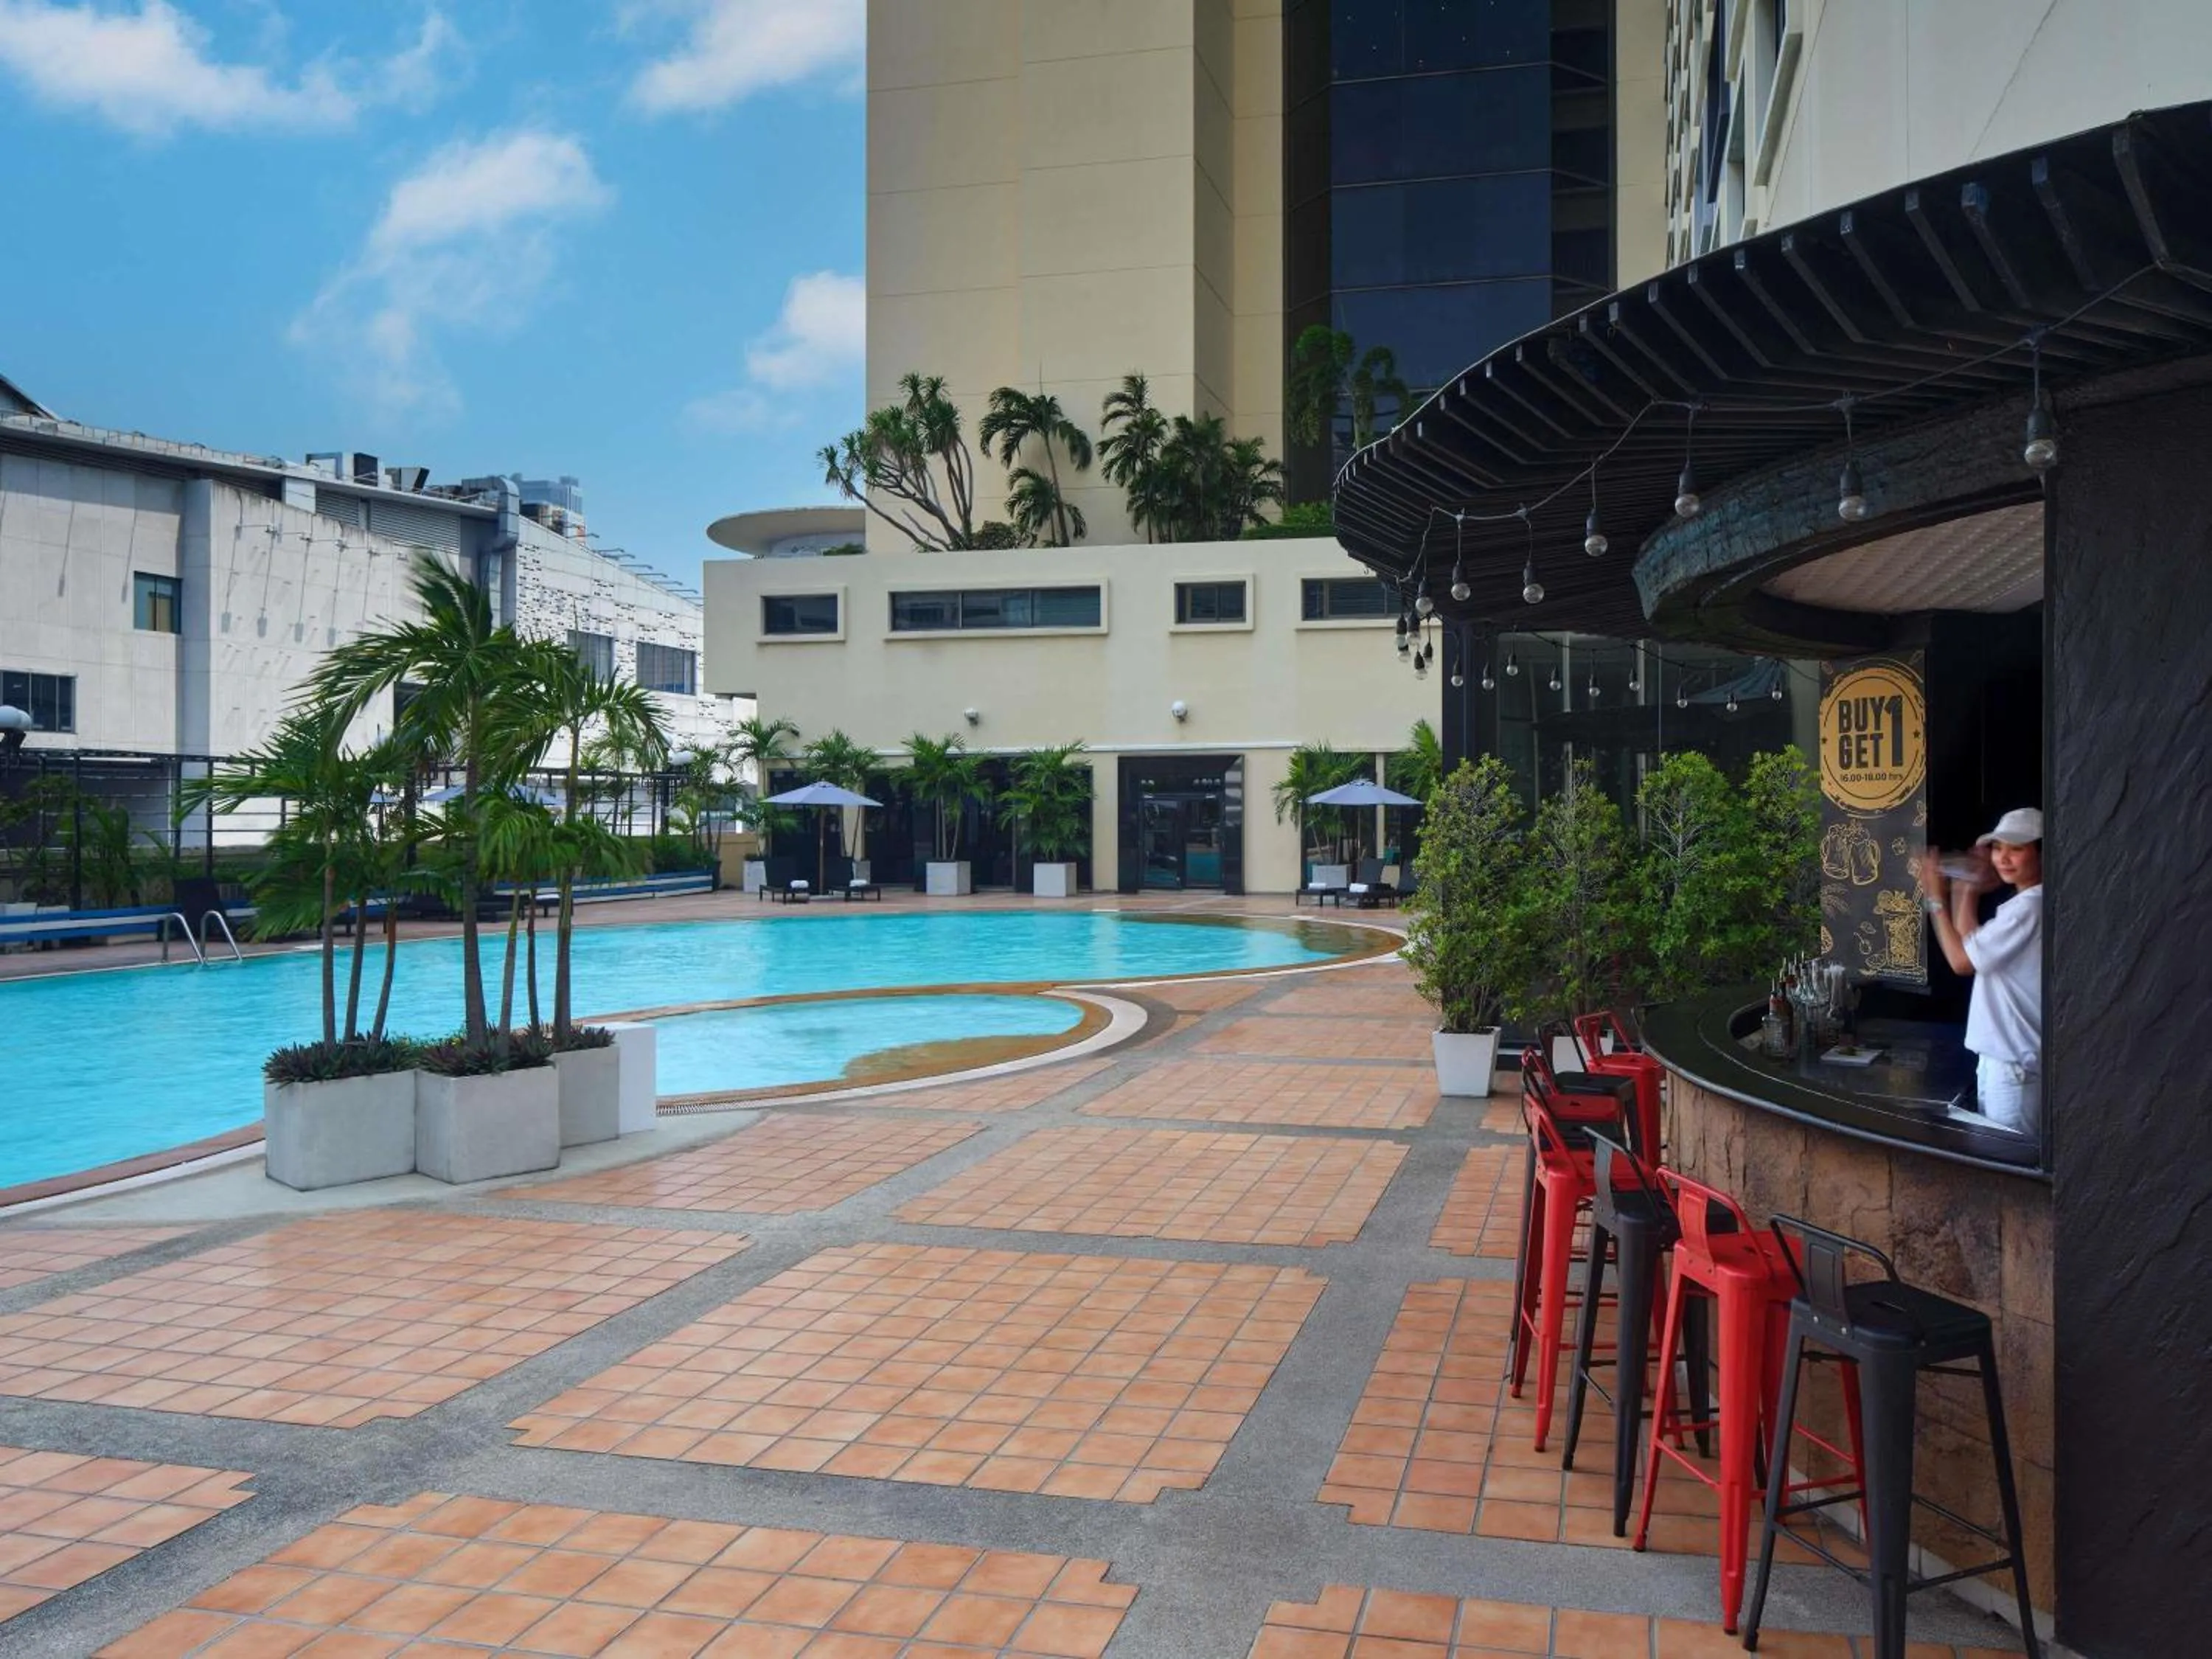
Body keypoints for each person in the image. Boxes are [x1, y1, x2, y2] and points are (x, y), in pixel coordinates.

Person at [1916, 807, 2043, 1136]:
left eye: (2017, 848)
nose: (2003, 858)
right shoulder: (2026, 904)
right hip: (2007, 1062)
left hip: (2014, 1065)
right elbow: (1969, 943)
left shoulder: (2028, 908)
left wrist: (1935, 897)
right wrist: (1966, 888)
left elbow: (1961, 962)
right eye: (1998, 848)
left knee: (2007, 1158)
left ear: (2042, 854)